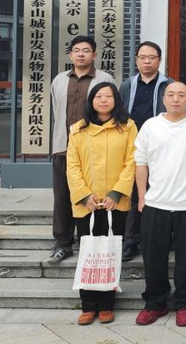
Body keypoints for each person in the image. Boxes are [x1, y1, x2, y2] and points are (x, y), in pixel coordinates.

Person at [133, 82, 186, 328]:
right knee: (154, 256)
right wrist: (142, 197)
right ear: (163, 99)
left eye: (181, 95)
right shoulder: (150, 126)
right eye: (171, 95)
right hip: (156, 202)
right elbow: (141, 162)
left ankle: (185, 303)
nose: (176, 99)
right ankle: (155, 303)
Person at [66, 82, 136, 325]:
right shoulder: (78, 129)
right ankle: (88, 305)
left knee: (110, 252)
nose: (103, 100)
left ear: (116, 100)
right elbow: (72, 165)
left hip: (114, 203)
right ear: (91, 100)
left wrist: (116, 193)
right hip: (87, 203)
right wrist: (84, 195)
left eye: (108, 96)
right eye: (98, 96)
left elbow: (132, 161)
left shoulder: (127, 127)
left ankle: (107, 304)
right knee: (89, 252)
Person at [46, 35, 114, 265]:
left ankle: (90, 242)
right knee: (62, 196)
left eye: (86, 50)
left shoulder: (104, 79)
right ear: (71, 55)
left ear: (94, 55)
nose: (81, 54)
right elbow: (57, 110)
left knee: (93, 195)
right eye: (77, 50)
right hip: (63, 148)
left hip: (93, 151)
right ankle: (63, 243)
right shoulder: (59, 80)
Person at [119, 41, 174, 262]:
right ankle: (130, 242)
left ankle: (156, 241)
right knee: (134, 194)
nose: (147, 61)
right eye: (142, 57)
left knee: (159, 194)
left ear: (159, 60)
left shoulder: (169, 85)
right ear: (136, 60)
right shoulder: (127, 85)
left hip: (161, 147)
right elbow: (120, 114)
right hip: (133, 148)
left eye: (152, 57)